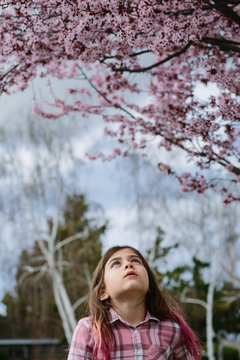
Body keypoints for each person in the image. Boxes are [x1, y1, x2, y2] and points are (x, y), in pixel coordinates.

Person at [67, 245, 202, 359]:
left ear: (149, 285)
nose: (128, 264)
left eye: (136, 261)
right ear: (103, 292)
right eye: (116, 263)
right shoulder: (88, 329)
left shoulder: (172, 329)